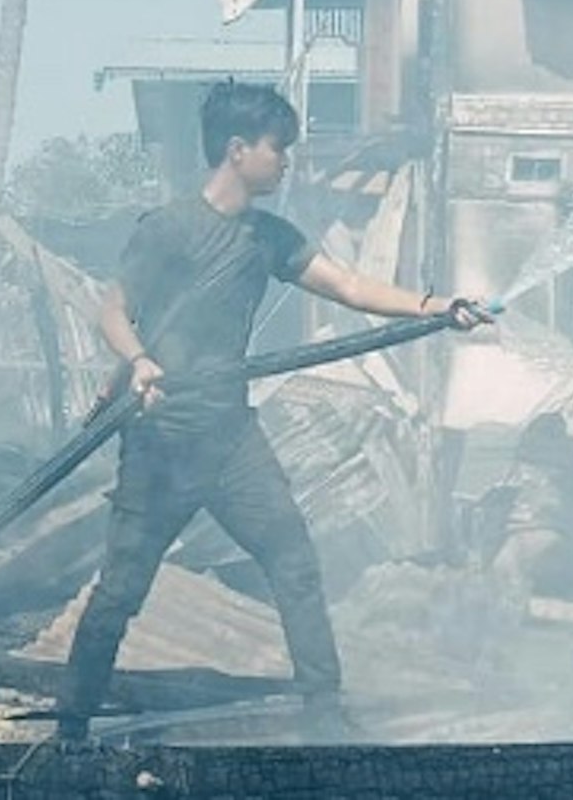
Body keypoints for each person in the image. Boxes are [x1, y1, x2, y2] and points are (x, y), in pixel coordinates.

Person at [56, 79, 491, 742]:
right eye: (277, 148)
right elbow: (113, 309)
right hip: (162, 442)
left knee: (295, 563)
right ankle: (71, 727)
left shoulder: (269, 238)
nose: (286, 160)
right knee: (119, 591)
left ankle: (323, 711)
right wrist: (138, 363)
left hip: (231, 440)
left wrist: (437, 308)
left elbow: (349, 286)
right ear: (237, 151)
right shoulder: (168, 229)